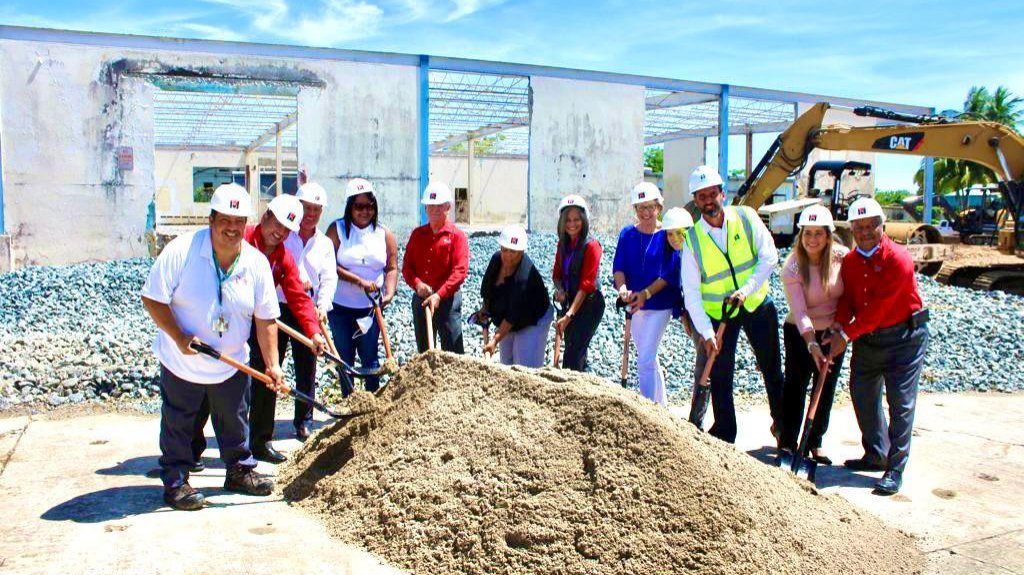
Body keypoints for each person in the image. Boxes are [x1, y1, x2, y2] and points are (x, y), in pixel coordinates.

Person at [141, 183, 287, 511]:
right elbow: (153, 298)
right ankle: (176, 481)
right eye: (224, 220)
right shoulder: (181, 251)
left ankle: (239, 471)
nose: (232, 228)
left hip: (231, 363)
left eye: (238, 221)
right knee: (179, 423)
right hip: (183, 361)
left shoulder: (255, 263)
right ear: (211, 219)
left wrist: (273, 364)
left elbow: (266, 318)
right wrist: (178, 335)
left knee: (235, 420)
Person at [829, 197, 929, 496]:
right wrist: (837, 325)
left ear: (882, 226)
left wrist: (845, 335)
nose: (865, 232)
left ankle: (895, 468)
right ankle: (875, 453)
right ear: (851, 229)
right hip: (869, 340)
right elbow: (848, 300)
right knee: (862, 394)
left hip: (904, 339)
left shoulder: (898, 259)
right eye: (859, 227)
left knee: (900, 403)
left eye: (871, 226)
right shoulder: (850, 261)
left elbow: (877, 311)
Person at [681, 165, 783, 444]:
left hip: (756, 305)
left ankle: (783, 429)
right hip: (719, 313)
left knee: (771, 367)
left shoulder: (746, 217)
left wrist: (746, 291)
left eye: (712, 194)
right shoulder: (692, 240)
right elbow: (691, 293)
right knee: (721, 374)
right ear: (695, 200)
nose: (708, 201)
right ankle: (725, 434)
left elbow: (769, 257)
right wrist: (707, 333)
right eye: (702, 196)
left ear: (722, 194)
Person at [244, 194, 326, 463]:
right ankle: (191, 447)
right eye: (277, 224)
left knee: (267, 374)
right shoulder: (242, 240)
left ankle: (259, 442)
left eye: (286, 229)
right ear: (265, 216)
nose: (279, 233)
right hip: (227, 320)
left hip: (259, 322)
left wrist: (313, 332)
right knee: (214, 380)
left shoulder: (283, 257)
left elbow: (298, 297)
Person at [779, 205, 849, 464]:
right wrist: (811, 343)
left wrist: (840, 329)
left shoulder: (842, 258)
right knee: (795, 385)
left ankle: (814, 441)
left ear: (828, 236)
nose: (812, 239)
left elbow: (850, 296)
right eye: (807, 233)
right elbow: (800, 311)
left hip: (833, 332)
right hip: (800, 332)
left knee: (826, 386)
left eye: (818, 233)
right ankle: (787, 442)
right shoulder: (792, 267)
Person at [325, 178, 399, 396]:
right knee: (344, 359)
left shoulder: (384, 234)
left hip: (370, 309)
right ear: (350, 206)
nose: (365, 211)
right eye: (359, 206)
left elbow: (392, 267)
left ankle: (372, 401)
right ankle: (349, 401)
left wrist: (389, 293)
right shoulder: (337, 229)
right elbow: (328, 264)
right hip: (340, 307)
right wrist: (358, 281)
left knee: (370, 358)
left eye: (369, 206)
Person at [282, 182, 339, 439]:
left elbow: (329, 278)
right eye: (307, 208)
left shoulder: (324, 244)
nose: (311, 214)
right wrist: (294, 279)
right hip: (279, 306)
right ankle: (260, 424)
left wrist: (323, 305)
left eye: (316, 209)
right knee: (270, 363)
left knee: (307, 366)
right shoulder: (285, 234)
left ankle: (304, 420)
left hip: (307, 310)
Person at [612, 182, 676, 406]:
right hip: (635, 305)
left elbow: (668, 273)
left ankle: (647, 408)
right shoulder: (627, 234)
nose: (646, 213)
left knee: (645, 359)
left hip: (659, 305)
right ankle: (662, 407)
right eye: (641, 208)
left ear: (659, 207)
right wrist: (622, 289)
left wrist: (646, 293)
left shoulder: (667, 234)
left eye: (650, 207)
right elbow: (619, 267)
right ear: (635, 210)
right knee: (649, 357)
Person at [402, 181, 469, 353]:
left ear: (448, 207)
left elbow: (460, 271)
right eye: (431, 206)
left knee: (453, 351)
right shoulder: (417, 235)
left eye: (440, 205)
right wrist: (417, 284)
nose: (435, 210)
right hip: (422, 299)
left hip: (447, 300)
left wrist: (439, 295)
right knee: (424, 351)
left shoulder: (457, 236)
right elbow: (407, 268)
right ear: (425, 208)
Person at [477, 225, 554, 367]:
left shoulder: (524, 277)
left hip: (533, 318)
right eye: (505, 250)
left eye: (513, 251)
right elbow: (487, 289)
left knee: (524, 366)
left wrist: (494, 341)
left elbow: (512, 316)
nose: (508, 255)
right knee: (506, 363)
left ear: (522, 251)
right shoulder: (496, 259)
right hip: (508, 315)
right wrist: (485, 309)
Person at [661, 207, 709, 428]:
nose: (674, 238)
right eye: (669, 234)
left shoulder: (699, 253)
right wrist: (682, 314)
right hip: (692, 313)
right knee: (703, 363)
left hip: (707, 312)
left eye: (678, 233)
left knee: (704, 365)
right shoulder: (674, 257)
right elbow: (677, 290)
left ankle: (696, 420)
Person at [551, 195, 604, 372]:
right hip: (571, 301)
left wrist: (569, 315)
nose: (572, 224)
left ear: (584, 220)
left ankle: (574, 380)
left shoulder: (592, 246)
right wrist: (560, 290)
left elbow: (587, 284)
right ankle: (581, 376)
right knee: (573, 347)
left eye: (576, 220)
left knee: (574, 352)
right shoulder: (563, 244)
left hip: (589, 304)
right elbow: (556, 275)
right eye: (568, 220)